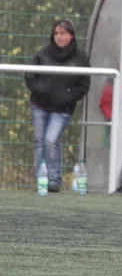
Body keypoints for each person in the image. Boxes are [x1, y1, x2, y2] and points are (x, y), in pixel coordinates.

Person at [25, 18, 91, 192]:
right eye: (56, 33)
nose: (59, 37)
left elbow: (84, 85)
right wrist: (41, 89)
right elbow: (30, 77)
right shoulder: (42, 54)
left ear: (71, 36)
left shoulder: (81, 57)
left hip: (62, 108)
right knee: (40, 141)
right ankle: (42, 179)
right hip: (40, 104)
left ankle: (54, 180)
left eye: (63, 33)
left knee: (50, 139)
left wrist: (68, 97)